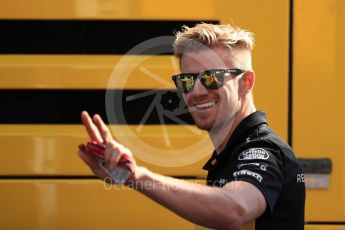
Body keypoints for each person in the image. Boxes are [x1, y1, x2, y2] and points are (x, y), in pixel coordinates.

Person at [78, 23, 305, 230]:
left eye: (211, 77)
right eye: (187, 81)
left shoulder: (263, 151)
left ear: (246, 82)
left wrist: (136, 176)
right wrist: (125, 175)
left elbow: (235, 209)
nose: (196, 92)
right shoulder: (229, 155)